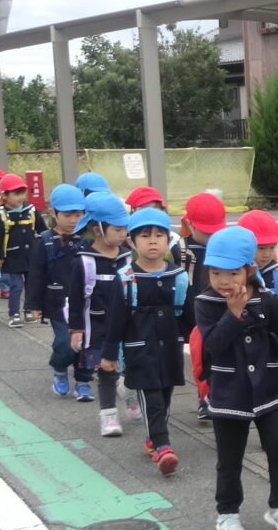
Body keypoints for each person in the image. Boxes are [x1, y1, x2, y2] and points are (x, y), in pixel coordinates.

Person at [196, 224, 278, 530]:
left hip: (268, 391)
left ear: (249, 270)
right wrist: (233, 313)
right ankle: (227, 513)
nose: (224, 281)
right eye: (216, 273)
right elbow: (213, 345)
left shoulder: (269, 300)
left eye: (232, 274)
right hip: (228, 394)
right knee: (229, 458)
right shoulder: (205, 302)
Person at [102, 207, 190, 474]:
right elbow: (116, 319)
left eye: (159, 235)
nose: (153, 241)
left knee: (164, 396)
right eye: (144, 235)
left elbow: (187, 315)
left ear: (168, 240)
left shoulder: (178, 276)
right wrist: (108, 355)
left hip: (169, 347)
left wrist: (198, 342)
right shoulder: (126, 279)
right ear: (132, 241)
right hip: (139, 350)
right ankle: (163, 447)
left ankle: (154, 436)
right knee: (151, 396)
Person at [26, 183, 93, 396]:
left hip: (86, 302)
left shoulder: (88, 240)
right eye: (67, 215)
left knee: (86, 343)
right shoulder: (45, 241)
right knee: (65, 342)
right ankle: (59, 368)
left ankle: (83, 381)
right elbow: (36, 274)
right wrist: (34, 305)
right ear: (53, 213)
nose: (73, 220)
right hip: (57, 303)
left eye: (78, 214)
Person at [75, 193, 131, 431]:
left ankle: (129, 394)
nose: (123, 234)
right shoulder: (85, 261)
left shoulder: (128, 256)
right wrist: (76, 330)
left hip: (127, 325)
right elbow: (77, 298)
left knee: (129, 367)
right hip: (97, 326)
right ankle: (108, 415)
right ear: (98, 230)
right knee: (106, 369)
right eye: (117, 229)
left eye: (125, 229)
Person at [181, 191, 228, 424]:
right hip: (192, 315)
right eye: (206, 232)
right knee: (200, 362)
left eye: (215, 231)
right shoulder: (181, 250)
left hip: (219, 313)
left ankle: (213, 398)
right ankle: (204, 399)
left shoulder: (223, 247)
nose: (211, 237)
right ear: (189, 224)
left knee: (217, 358)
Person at [0, 173, 45, 327]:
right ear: (6, 195)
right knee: (16, 286)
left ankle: (29, 310)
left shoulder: (31, 210)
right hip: (12, 256)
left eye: (22, 193)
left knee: (32, 284)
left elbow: (43, 231)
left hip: (32, 255)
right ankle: (14, 313)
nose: (20, 197)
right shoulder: (0, 215)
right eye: (16, 194)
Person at [236, 209, 278, 327]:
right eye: (261, 248)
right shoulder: (234, 273)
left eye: (272, 247)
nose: (267, 254)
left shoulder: (276, 273)